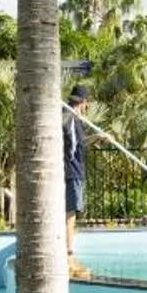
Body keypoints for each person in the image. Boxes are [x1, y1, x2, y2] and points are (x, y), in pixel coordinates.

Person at [63, 82, 90, 277]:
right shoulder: (71, 119)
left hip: (73, 172)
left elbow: (79, 145)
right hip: (72, 173)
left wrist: (99, 138)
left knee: (70, 215)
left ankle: (69, 255)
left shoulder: (73, 119)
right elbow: (71, 149)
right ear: (84, 102)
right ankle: (68, 257)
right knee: (70, 215)